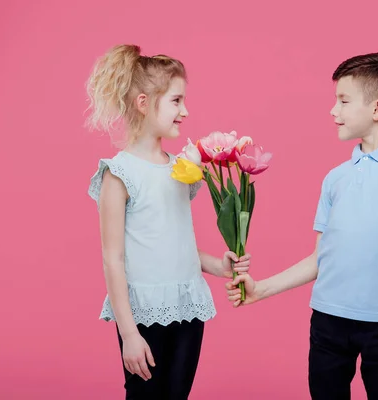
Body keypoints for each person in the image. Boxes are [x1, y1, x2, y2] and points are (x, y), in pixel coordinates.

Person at [226, 52, 378, 400]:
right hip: (327, 321)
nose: (333, 110)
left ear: (377, 109)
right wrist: (260, 289)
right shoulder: (334, 179)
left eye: (343, 101)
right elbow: (319, 259)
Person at [85, 44, 251, 399]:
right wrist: (129, 334)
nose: (185, 111)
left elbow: (174, 239)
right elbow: (112, 259)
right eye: (176, 101)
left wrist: (214, 264)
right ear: (144, 103)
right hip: (143, 315)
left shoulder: (181, 169)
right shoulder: (120, 173)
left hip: (187, 306)